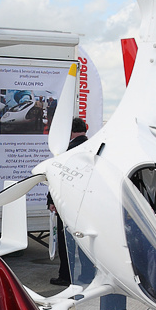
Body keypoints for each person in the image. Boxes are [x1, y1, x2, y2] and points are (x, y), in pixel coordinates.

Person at [49, 117, 89, 286]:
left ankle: (66, 275)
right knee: (85, 242)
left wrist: (52, 201)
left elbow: (57, 177)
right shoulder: (92, 148)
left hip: (67, 203)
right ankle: (87, 274)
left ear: (70, 131)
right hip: (86, 203)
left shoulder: (67, 150)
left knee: (67, 242)